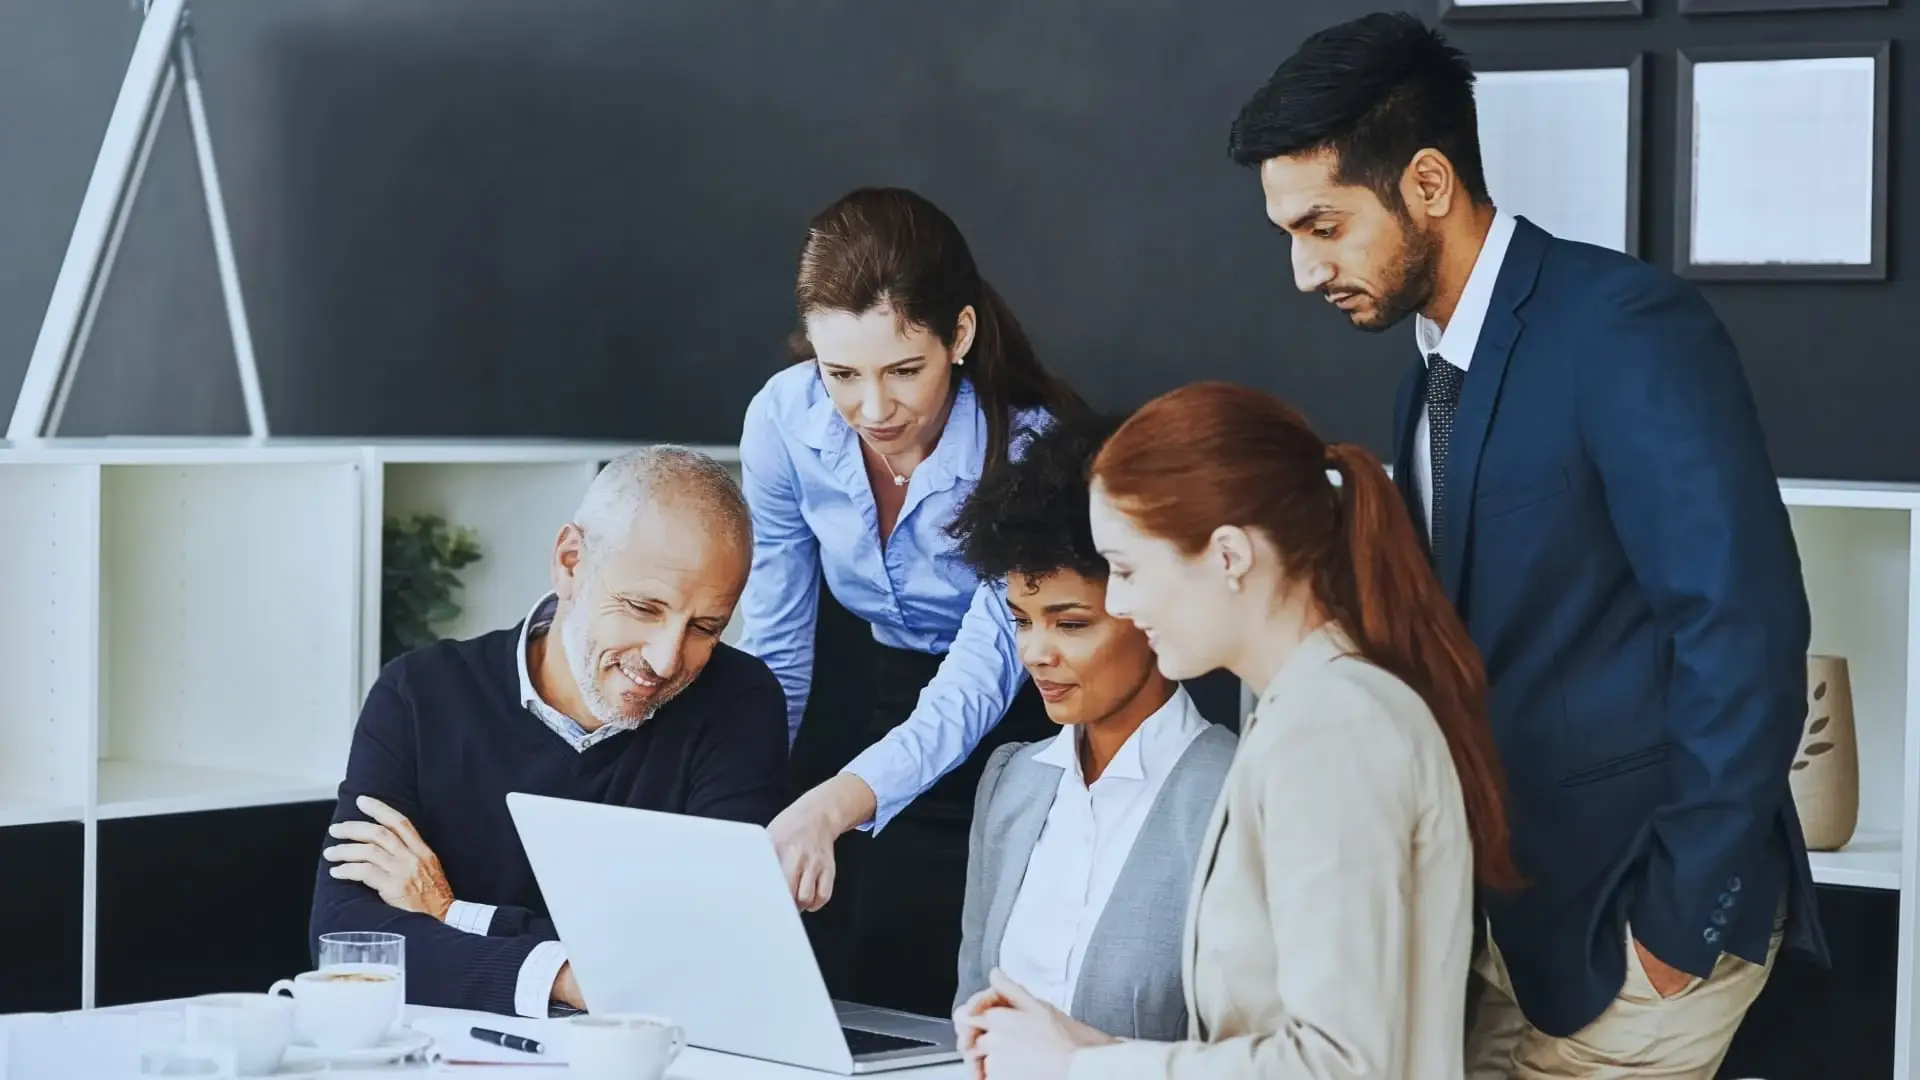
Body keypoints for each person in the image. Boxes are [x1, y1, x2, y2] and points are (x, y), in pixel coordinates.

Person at [1226, 13, 1826, 1077]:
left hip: (1641, 933)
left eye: (1323, 225)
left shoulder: (1623, 327)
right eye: (1287, 235)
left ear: (1427, 182)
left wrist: (1680, 924)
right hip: (1510, 932)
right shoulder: (1424, 380)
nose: (1305, 271)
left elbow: (1745, 629)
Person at [959, 382, 1520, 1080]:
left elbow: (1342, 1063)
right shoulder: (1304, 713)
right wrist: (1087, 1050)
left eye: (1127, 570)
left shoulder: (1333, 729)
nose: (1122, 601)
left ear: (1228, 556)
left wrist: (1081, 1067)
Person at [733, 186, 1085, 1016]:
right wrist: (750, 797)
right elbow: (779, 641)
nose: (874, 408)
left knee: (969, 967)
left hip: (1020, 709)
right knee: (845, 950)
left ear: (959, 335)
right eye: (841, 374)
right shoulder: (783, 419)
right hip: (865, 684)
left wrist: (837, 801)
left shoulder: (1029, 448)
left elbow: (979, 677)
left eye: (903, 371)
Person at [308, 446, 790, 1018]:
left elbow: (712, 950)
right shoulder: (418, 694)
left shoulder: (738, 701)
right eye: (644, 608)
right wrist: (568, 977)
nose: (665, 660)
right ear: (570, 562)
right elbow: (346, 941)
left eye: (705, 628)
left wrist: (452, 913)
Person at [944, 411, 1236, 1043]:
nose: (1034, 653)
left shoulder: (1237, 795)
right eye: (1022, 620)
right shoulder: (1013, 782)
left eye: (1070, 623)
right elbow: (972, 1008)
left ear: (1149, 607)